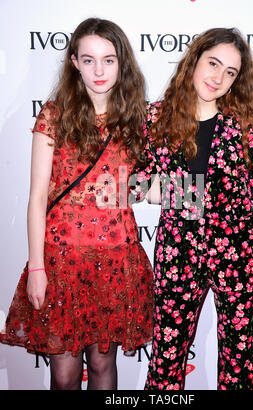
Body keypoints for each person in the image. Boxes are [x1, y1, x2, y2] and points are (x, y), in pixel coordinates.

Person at [0, 17, 154, 390]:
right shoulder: (55, 115)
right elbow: (38, 197)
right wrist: (37, 267)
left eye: (109, 59)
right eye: (88, 60)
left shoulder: (139, 118)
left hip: (115, 260)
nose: (99, 70)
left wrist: (206, 193)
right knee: (64, 376)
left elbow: (143, 190)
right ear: (74, 63)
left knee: (104, 366)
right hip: (61, 263)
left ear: (123, 63)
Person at [132, 27, 253, 390]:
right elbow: (133, 185)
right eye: (213, 63)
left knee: (237, 366)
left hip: (240, 257)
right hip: (178, 254)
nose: (218, 77)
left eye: (230, 72)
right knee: (166, 362)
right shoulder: (156, 118)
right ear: (194, 60)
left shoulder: (245, 126)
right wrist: (192, 197)